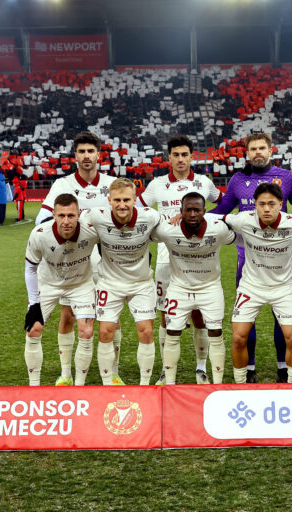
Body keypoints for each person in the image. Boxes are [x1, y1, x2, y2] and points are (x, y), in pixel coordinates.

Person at [209, 132, 292, 383]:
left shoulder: (286, 178)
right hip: (247, 259)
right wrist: (191, 217)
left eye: (261, 148)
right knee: (246, 321)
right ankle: (250, 367)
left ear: (271, 150)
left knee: (283, 320)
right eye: (252, 149)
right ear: (247, 153)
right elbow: (221, 212)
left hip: (279, 258)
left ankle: (283, 366)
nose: (257, 152)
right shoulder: (238, 179)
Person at [36, 131, 122, 385]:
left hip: (107, 260)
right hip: (74, 260)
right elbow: (41, 219)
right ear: (75, 156)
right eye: (82, 151)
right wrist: (75, 226)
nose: (86, 156)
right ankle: (66, 373)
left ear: (98, 154)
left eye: (91, 151)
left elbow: (131, 214)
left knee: (111, 316)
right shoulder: (62, 185)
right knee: (69, 315)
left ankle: (113, 372)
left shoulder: (112, 183)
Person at [137, 135, 222, 385]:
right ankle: (166, 370)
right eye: (176, 155)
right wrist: (160, 221)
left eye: (185, 154)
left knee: (199, 314)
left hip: (198, 256)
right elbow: (139, 208)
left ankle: (200, 368)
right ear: (169, 157)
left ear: (191, 156)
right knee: (166, 314)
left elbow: (224, 201)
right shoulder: (157, 184)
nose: (181, 159)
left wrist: (209, 221)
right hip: (166, 257)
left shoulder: (204, 182)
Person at [80, 178, 161, 385]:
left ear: (135, 200)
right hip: (110, 283)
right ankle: (108, 383)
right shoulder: (96, 216)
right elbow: (73, 225)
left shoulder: (150, 217)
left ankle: (144, 385)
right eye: (117, 200)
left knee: (146, 331)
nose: (122, 205)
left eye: (127, 199)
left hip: (141, 284)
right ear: (109, 200)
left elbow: (170, 225)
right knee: (105, 332)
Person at [151, 192, 235, 384]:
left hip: (210, 289)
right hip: (179, 289)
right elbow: (147, 231)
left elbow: (237, 238)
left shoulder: (218, 230)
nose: (193, 214)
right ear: (180, 212)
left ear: (205, 212)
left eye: (197, 209)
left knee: (215, 332)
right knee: (172, 332)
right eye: (188, 210)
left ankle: (214, 381)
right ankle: (170, 382)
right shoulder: (168, 230)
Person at [23, 194, 99, 386]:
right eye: (61, 215)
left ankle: (79, 386)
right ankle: (34, 387)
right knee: (33, 329)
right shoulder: (39, 233)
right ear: (54, 215)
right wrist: (34, 303)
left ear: (79, 214)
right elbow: (30, 268)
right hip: (48, 284)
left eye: (71, 215)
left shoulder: (91, 230)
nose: (66, 221)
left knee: (87, 331)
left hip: (80, 284)